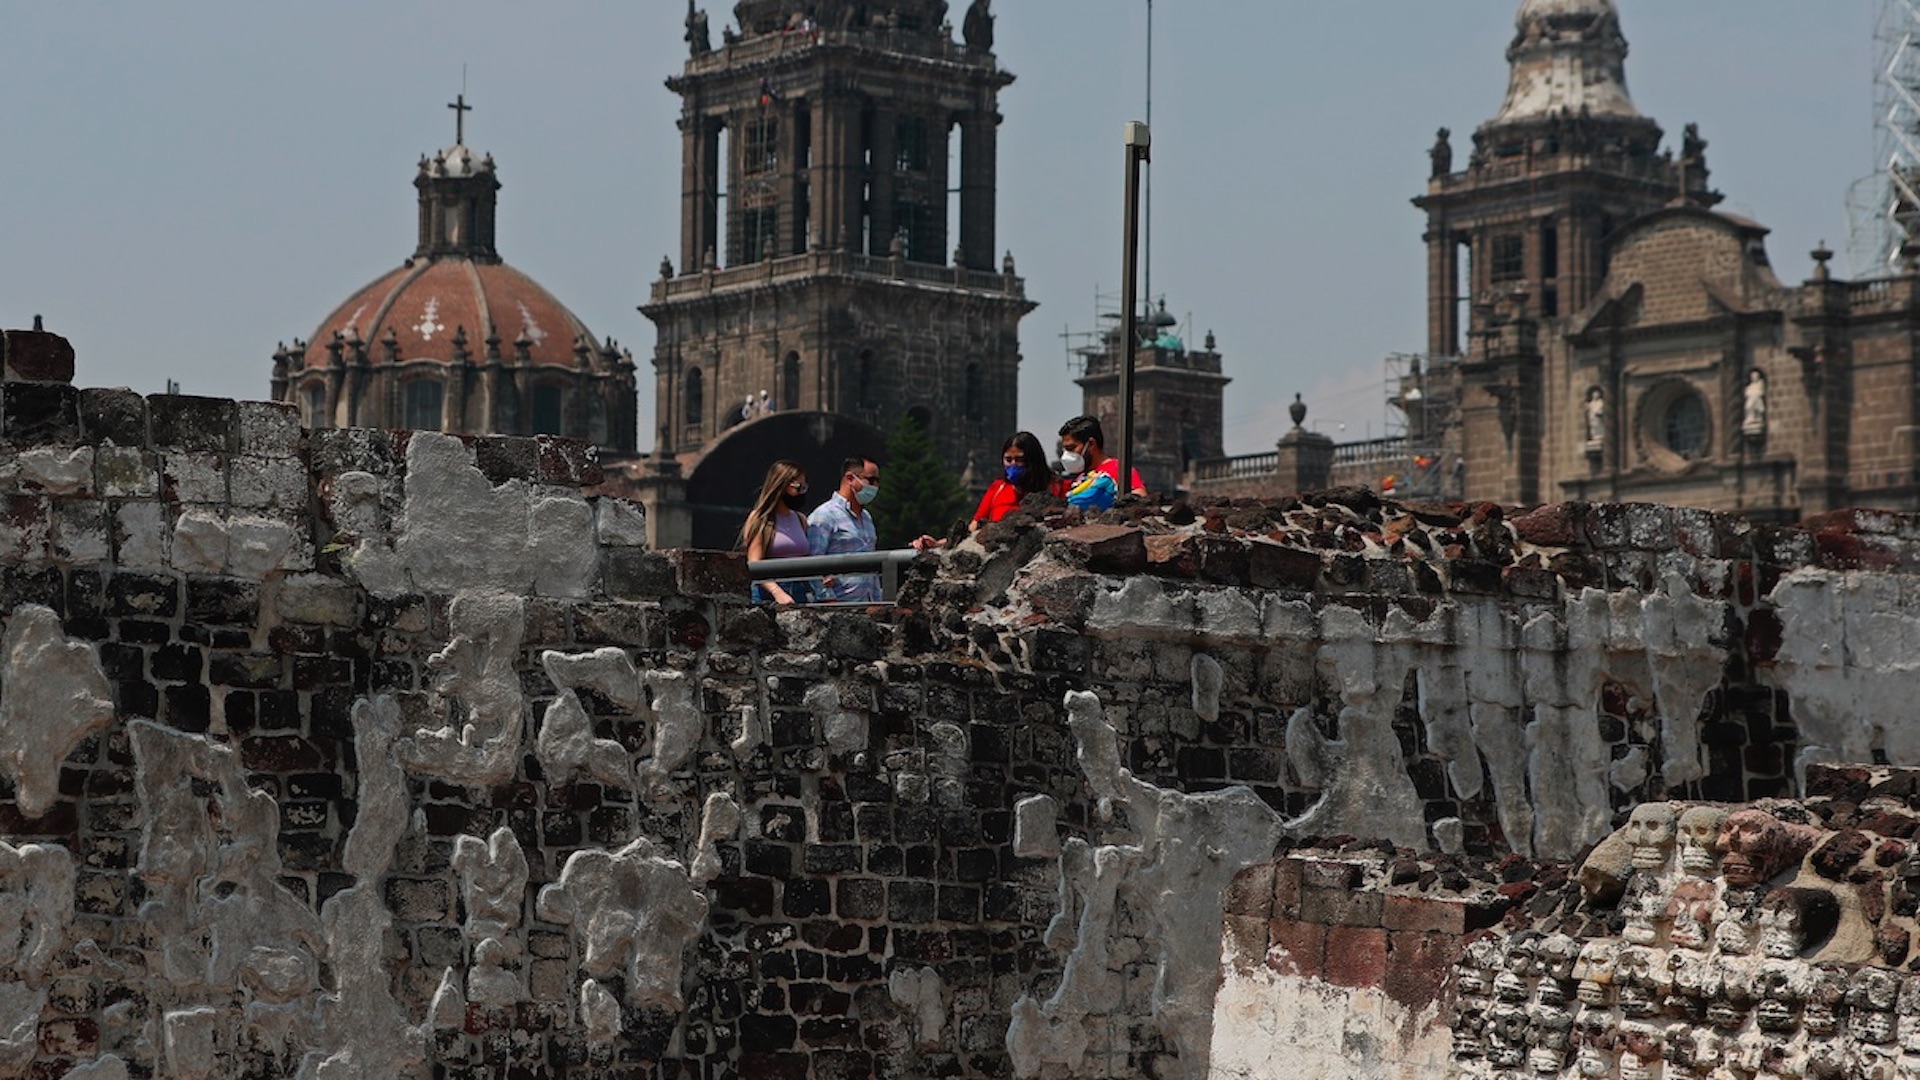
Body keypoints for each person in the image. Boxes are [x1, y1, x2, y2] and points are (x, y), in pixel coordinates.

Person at [808, 456, 935, 602]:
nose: (875, 486)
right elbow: (812, 564)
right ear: (850, 478)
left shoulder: (867, 517)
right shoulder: (824, 515)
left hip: (869, 606)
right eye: (871, 480)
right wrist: (829, 601)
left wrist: (877, 602)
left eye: (878, 481)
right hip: (839, 607)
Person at [738, 461, 815, 605]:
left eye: (804, 488)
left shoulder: (800, 519)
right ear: (782, 486)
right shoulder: (761, 519)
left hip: (798, 589)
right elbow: (755, 563)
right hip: (769, 593)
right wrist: (777, 592)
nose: (802, 493)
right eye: (798, 488)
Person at [1057, 415, 1146, 510]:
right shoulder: (1081, 477)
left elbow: (1141, 496)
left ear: (1091, 444)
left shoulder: (1119, 469)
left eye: (1071, 448)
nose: (1067, 454)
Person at [971, 431, 1052, 531]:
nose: (1013, 464)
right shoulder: (997, 488)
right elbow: (975, 524)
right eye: (1008, 460)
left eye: (1019, 459)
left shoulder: (1053, 487)